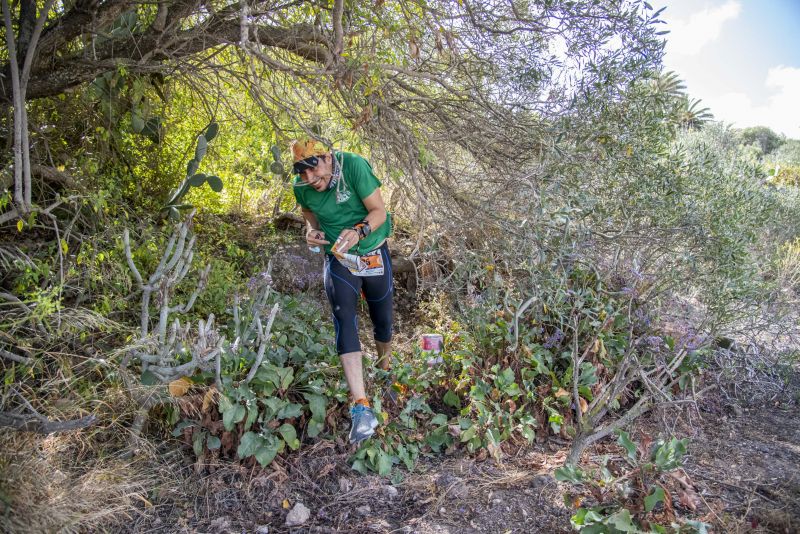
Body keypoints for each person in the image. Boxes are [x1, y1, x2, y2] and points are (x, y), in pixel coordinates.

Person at [290, 138, 394, 444]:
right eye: (302, 172)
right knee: (344, 317)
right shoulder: (301, 188)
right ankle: (361, 407)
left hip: (373, 251)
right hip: (340, 258)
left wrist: (359, 230)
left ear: (329, 157)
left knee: (383, 320)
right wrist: (311, 234)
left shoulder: (354, 166)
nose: (310, 178)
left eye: (314, 169)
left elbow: (379, 212)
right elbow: (310, 223)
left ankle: (385, 371)